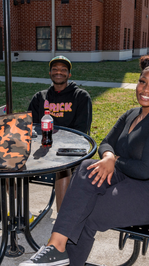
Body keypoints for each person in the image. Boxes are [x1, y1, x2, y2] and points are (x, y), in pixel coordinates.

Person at [19, 55, 149, 266]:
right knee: (87, 167)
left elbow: (145, 170)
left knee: (86, 214)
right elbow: (106, 142)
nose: (146, 89)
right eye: (142, 82)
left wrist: (113, 160)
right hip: (129, 178)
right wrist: (108, 155)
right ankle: (56, 246)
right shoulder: (132, 114)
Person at [28, 55, 92, 212]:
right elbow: (31, 127)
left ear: (69, 75)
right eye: (55, 69)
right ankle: (20, 213)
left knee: (62, 168)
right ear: (50, 73)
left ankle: (61, 223)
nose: (59, 72)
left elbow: (81, 132)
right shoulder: (40, 97)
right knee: (12, 164)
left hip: (67, 152)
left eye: (63, 70)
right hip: (43, 149)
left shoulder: (81, 96)